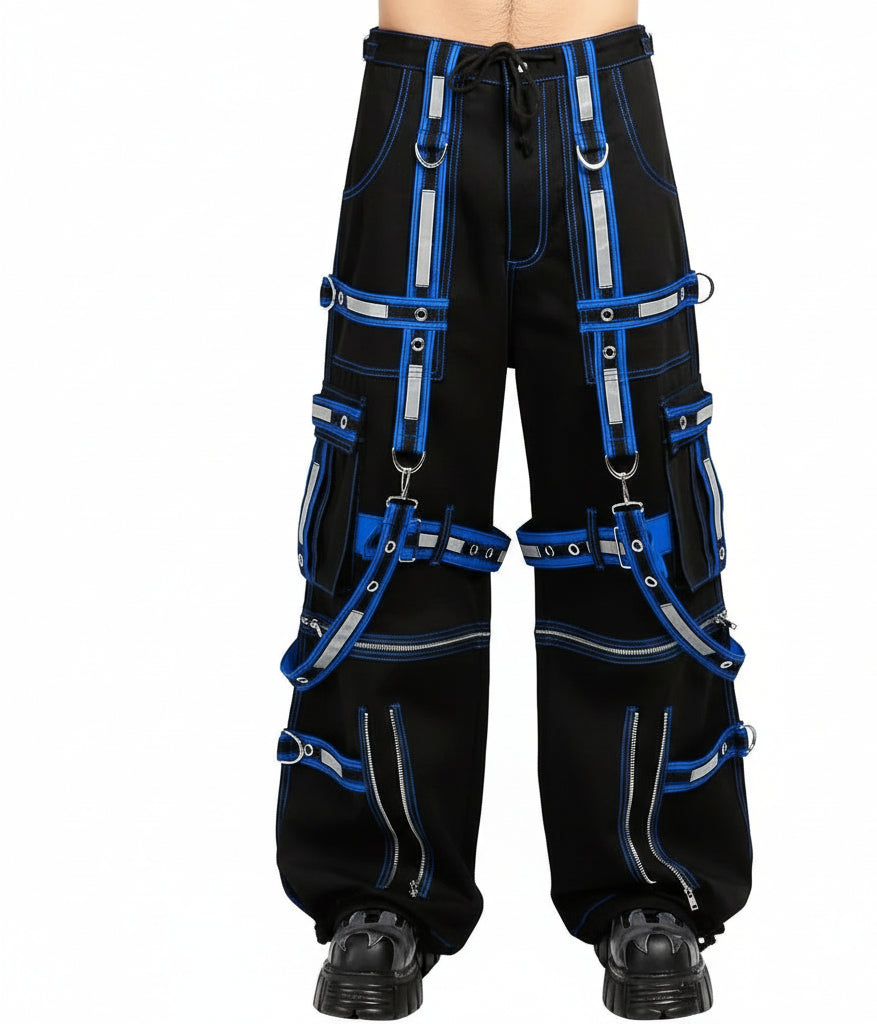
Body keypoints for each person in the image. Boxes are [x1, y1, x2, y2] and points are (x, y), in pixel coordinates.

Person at [274, 1, 755, 1017]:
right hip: (417, 95)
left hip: (599, 98)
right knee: (387, 511)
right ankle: (381, 886)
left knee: (637, 510)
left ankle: (649, 882)